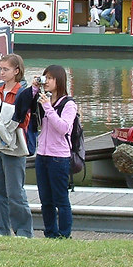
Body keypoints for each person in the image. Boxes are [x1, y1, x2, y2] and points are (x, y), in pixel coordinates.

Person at [0, 53, 35, 237]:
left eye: (6, 69)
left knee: (15, 191)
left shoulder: (23, 92)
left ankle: (24, 232)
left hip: (13, 145)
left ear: (16, 71)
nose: (1, 72)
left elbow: (24, 121)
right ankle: (1, 231)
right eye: (0, 68)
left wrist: (2, 105)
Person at [30, 65, 78, 238]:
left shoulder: (69, 104)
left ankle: (65, 235)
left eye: (50, 78)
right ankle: (50, 233)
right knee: (45, 200)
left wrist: (48, 108)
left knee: (61, 199)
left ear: (59, 80)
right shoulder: (44, 99)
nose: (47, 81)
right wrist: (35, 89)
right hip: (42, 154)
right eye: (45, 78)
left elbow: (63, 128)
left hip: (59, 157)